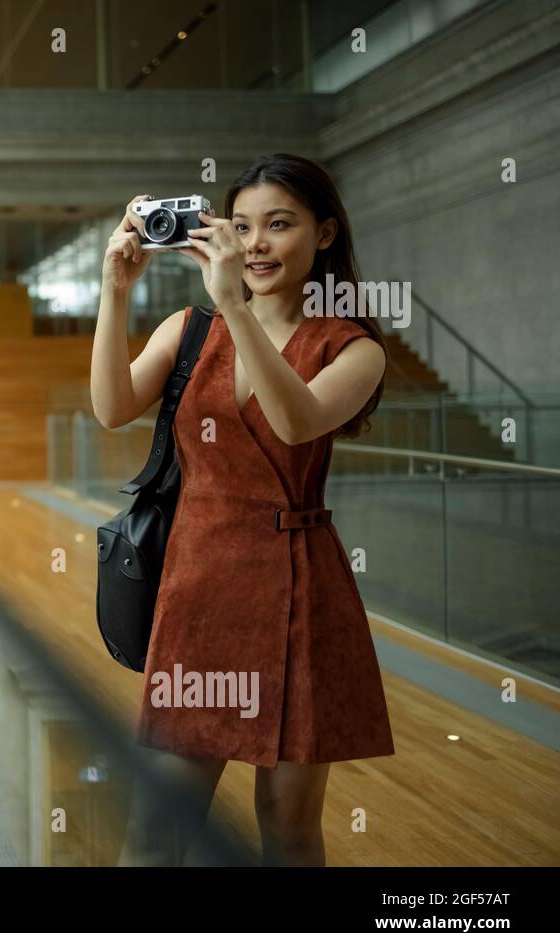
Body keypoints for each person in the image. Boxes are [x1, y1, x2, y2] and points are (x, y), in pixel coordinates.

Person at [91, 154, 396, 866]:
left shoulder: (353, 348)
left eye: (279, 225)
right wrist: (115, 291)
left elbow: (296, 422)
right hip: (199, 589)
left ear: (324, 234)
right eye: (244, 225)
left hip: (301, 593)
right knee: (157, 825)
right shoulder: (188, 329)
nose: (256, 243)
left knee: (287, 824)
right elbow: (111, 406)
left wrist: (233, 304)